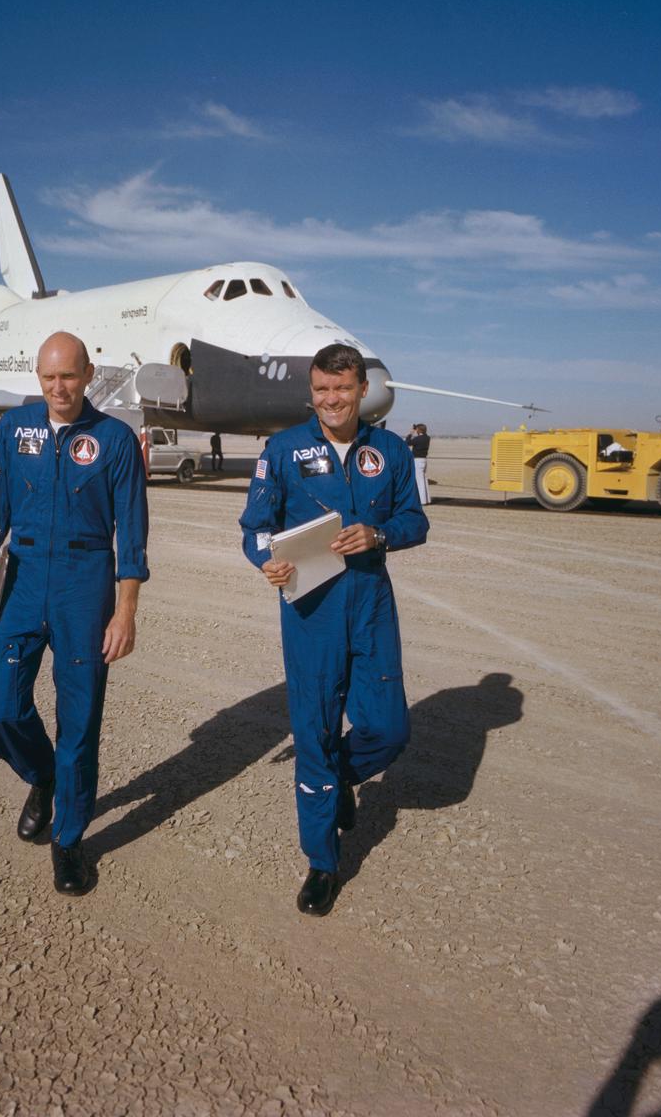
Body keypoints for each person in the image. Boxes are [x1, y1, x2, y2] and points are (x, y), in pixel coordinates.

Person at [240, 344, 428, 917]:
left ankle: (340, 776)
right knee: (315, 729)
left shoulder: (390, 451)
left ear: (362, 389)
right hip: (310, 610)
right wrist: (264, 561)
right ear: (311, 390)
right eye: (321, 390)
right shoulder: (283, 449)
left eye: (342, 390)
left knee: (390, 730)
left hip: (370, 602)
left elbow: (416, 520)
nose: (331, 400)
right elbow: (254, 528)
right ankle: (322, 862)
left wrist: (379, 534)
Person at [0, 331, 149, 896]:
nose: (58, 387)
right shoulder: (14, 429)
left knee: (80, 720)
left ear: (88, 373)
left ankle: (69, 841)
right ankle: (43, 777)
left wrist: (125, 613)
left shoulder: (116, 440)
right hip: (23, 579)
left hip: (84, 585)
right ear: (38, 377)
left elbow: (133, 535)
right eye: (48, 377)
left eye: (68, 376)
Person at [404, 424, 431, 505]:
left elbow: (407, 442)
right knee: (424, 479)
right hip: (424, 460)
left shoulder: (418, 439)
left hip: (417, 460)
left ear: (419, 430)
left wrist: (411, 433)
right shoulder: (427, 438)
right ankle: (427, 499)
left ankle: (422, 500)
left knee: (419, 480)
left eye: (417, 430)